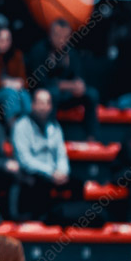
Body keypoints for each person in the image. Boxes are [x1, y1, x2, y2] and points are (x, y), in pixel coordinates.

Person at [12, 89, 81, 224]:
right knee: (40, 185)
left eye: (47, 103)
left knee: (78, 185)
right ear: (33, 105)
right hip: (33, 173)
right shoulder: (21, 125)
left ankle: (73, 222)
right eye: (40, 103)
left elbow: (61, 154)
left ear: (50, 106)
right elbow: (25, 160)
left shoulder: (54, 126)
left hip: (54, 173)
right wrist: (50, 172)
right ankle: (43, 222)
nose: (43, 107)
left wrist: (62, 171)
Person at [27, 19, 99, 141]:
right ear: (50, 34)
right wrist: (66, 85)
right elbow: (40, 82)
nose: (62, 40)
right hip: (45, 95)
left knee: (92, 94)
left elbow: (79, 76)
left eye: (65, 37)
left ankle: (91, 137)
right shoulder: (39, 51)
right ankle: (48, 135)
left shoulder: (71, 52)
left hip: (67, 96)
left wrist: (79, 86)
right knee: (52, 93)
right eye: (58, 36)